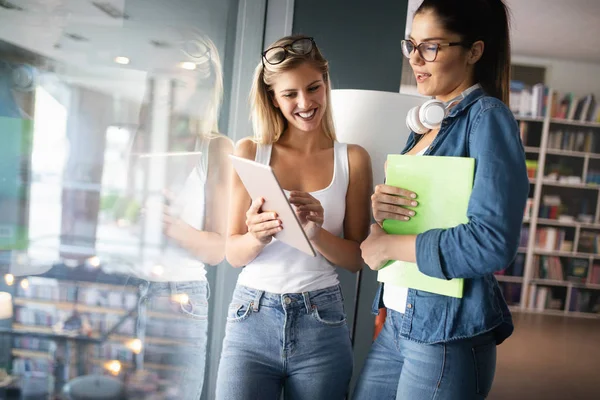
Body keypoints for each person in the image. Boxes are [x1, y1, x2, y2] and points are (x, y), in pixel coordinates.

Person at [354, 0, 529, 399]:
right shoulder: (428, 126)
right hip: (400, 321)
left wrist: (388, 245)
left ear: (474, 51)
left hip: (445, 335)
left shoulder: (487, 117)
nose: (416, 58)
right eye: (411, 45)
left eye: (431, 46)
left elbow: (491, 242)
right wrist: (384, 214)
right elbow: (429, 216)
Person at [215, 35, 372, 399]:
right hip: (250, 318)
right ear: (273, 98)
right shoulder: (251, 151)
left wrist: (316, 233)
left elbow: (357, 258)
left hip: (322, 319)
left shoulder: (353, 159)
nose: (305, 102)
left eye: (314, 88)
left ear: (326, 84)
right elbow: (232, 253)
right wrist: (255, 236)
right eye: (290, 94)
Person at [124, 31, 233, 399]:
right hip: (127, 291)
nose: (164, 91)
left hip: (180, 300)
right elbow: (113, 220)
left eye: (178, 82)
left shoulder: (216, 148)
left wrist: (172, 225)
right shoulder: (136, 139)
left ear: (200, 87)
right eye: (159, 80)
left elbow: (218, 250)